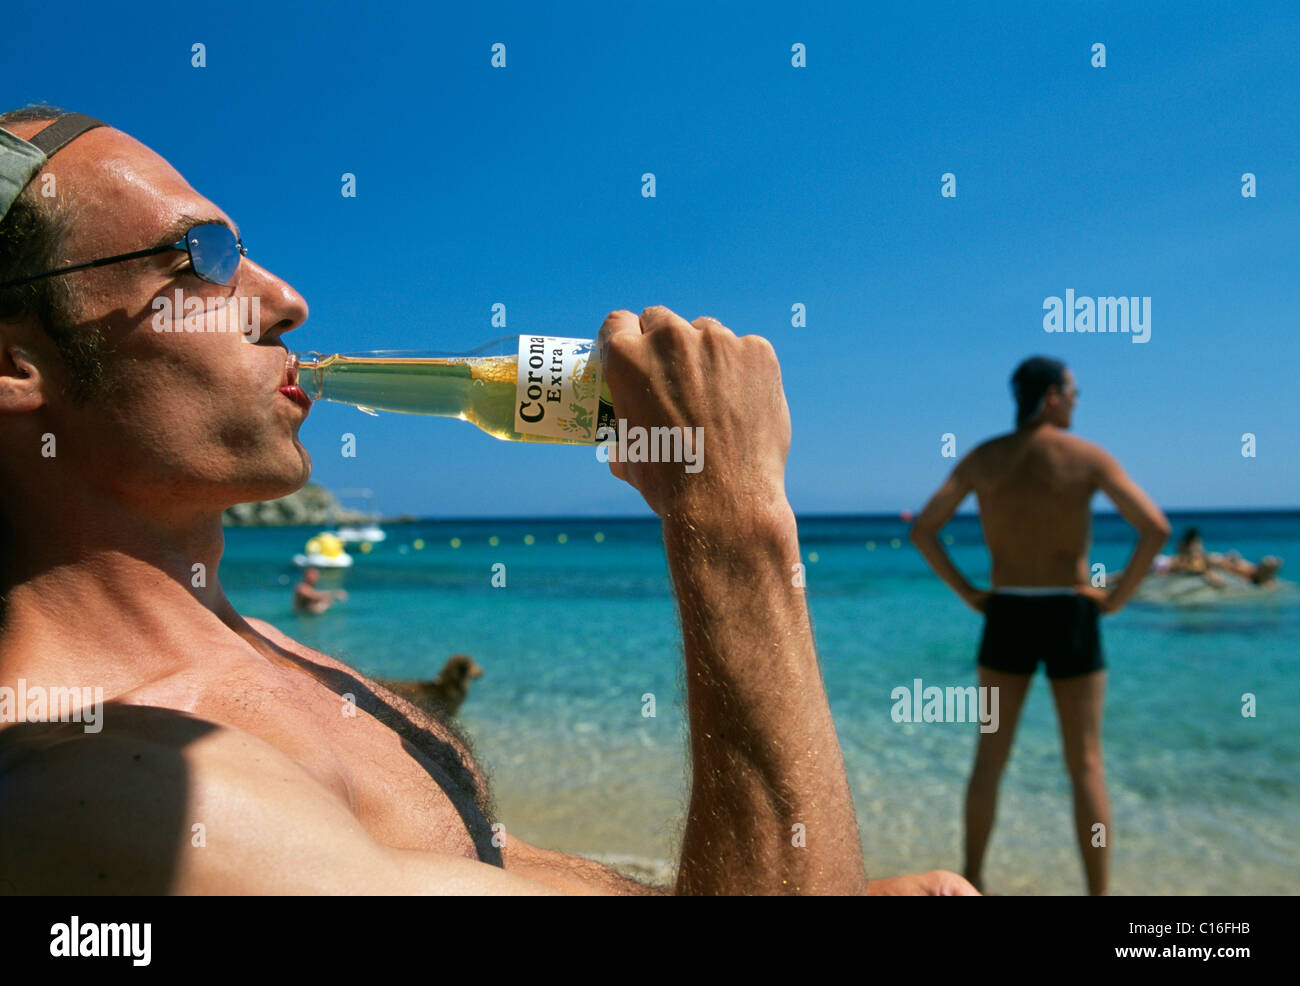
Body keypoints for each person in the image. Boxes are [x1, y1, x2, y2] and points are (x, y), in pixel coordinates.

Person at [0, 107, 973, 895]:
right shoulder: (118, 782)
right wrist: (732, 516)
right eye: (198, 257)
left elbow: (474, 866)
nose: (287, 297)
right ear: (15, 359)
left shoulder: (249, 646)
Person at [909, 356, 1170, 895]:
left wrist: (971, 594)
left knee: (990, 757)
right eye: (1074, 391)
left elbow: (925, 530)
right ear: (1052, 395)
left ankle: (973, 879)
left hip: (1007, 612)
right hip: (1070, 612)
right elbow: (1155, 528)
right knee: (1086, 764)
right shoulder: (1086, 457)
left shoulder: (985, 458)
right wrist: (1117, 599)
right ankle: (1098, 894)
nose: (1077, 401)